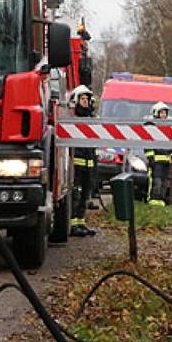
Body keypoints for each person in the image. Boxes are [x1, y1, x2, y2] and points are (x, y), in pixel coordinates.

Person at [69, 85, 98, 236]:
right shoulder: (72, 119)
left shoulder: (92, 119)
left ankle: (80, 222)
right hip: (77, 164)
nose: (85, 101)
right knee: (76, 193)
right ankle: (72, 224)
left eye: (87, 99)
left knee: (86, 194)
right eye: (82, 99)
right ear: (76, 100)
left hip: (89, 163)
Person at [146, 101, 172, 206]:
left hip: (166, 161)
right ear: (156, 113)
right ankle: (153, 199)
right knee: (156, 181)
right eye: (161, 113)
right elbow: (148, 145)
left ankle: (161, 199)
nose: (164, 115)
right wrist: (150, 158)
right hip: (156, 161)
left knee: (165, 182)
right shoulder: (152, 127)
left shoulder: (169, 128)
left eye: (165, 113)